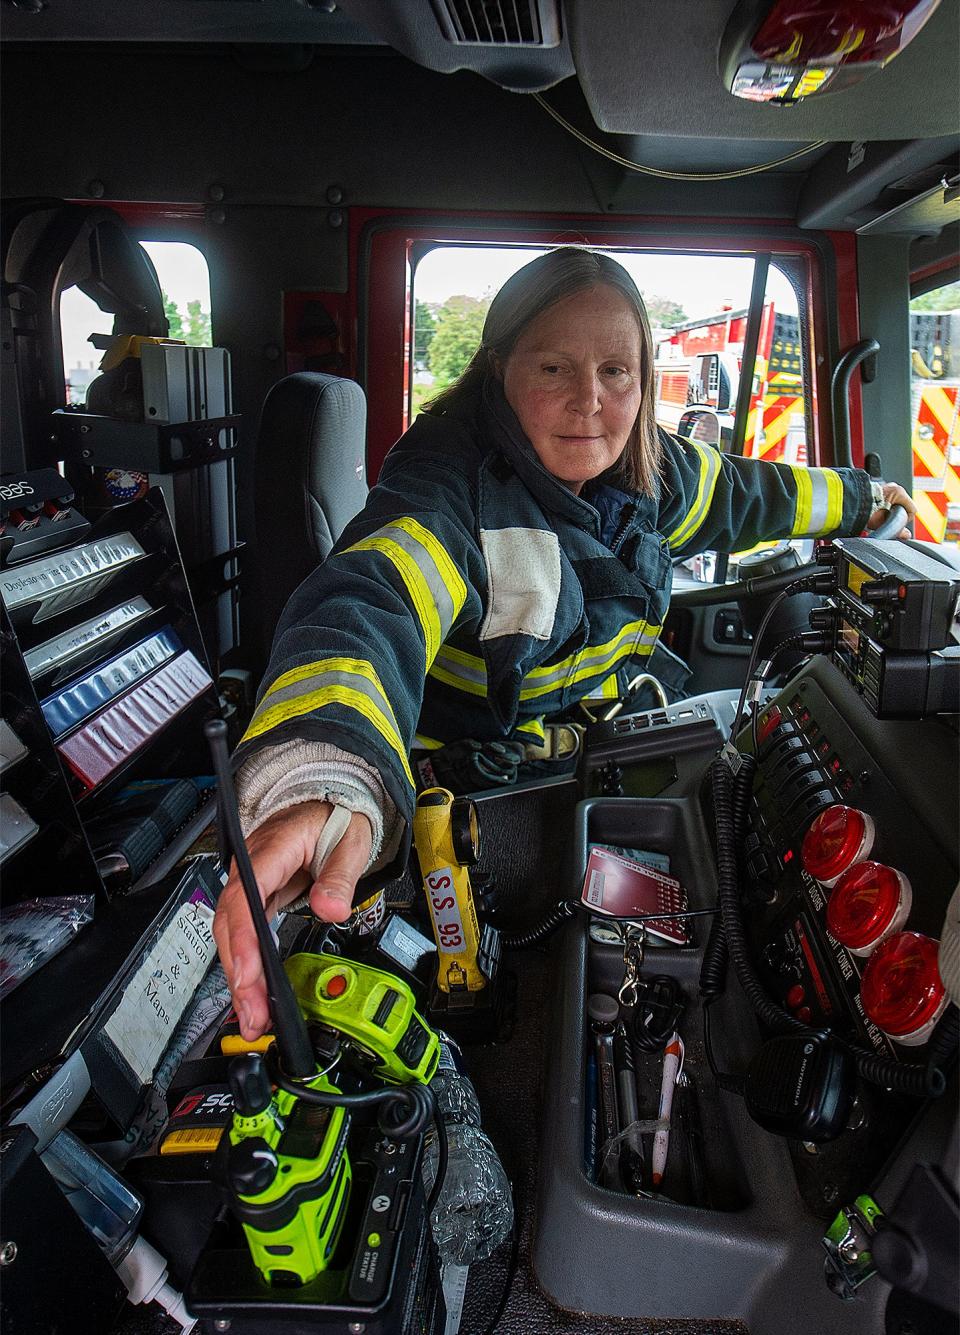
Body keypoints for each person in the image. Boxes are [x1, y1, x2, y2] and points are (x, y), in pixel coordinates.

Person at [213, 246, 915, 1039]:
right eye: (554, 368)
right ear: (499, 368)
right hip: (485, 796)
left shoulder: (651, 468)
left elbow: (751, 494)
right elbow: (374, 597)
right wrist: (324, 776)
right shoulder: (450, 487)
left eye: (617, 371)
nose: (590, 400)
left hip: (588, 752)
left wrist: (863, 499)